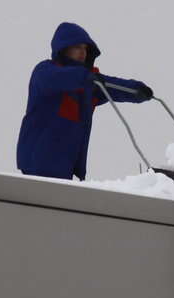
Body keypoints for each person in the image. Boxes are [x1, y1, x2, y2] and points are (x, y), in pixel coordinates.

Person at [17, 22, 153, 180]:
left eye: (85, 48)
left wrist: (137, 91)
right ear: (64, 48)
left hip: (65, 166)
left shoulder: (89, 84)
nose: (82, 52)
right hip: (38, 161)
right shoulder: (44, 71)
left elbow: (113, 87)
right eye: (77, 47)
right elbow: (61, 78)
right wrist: (87, 77)